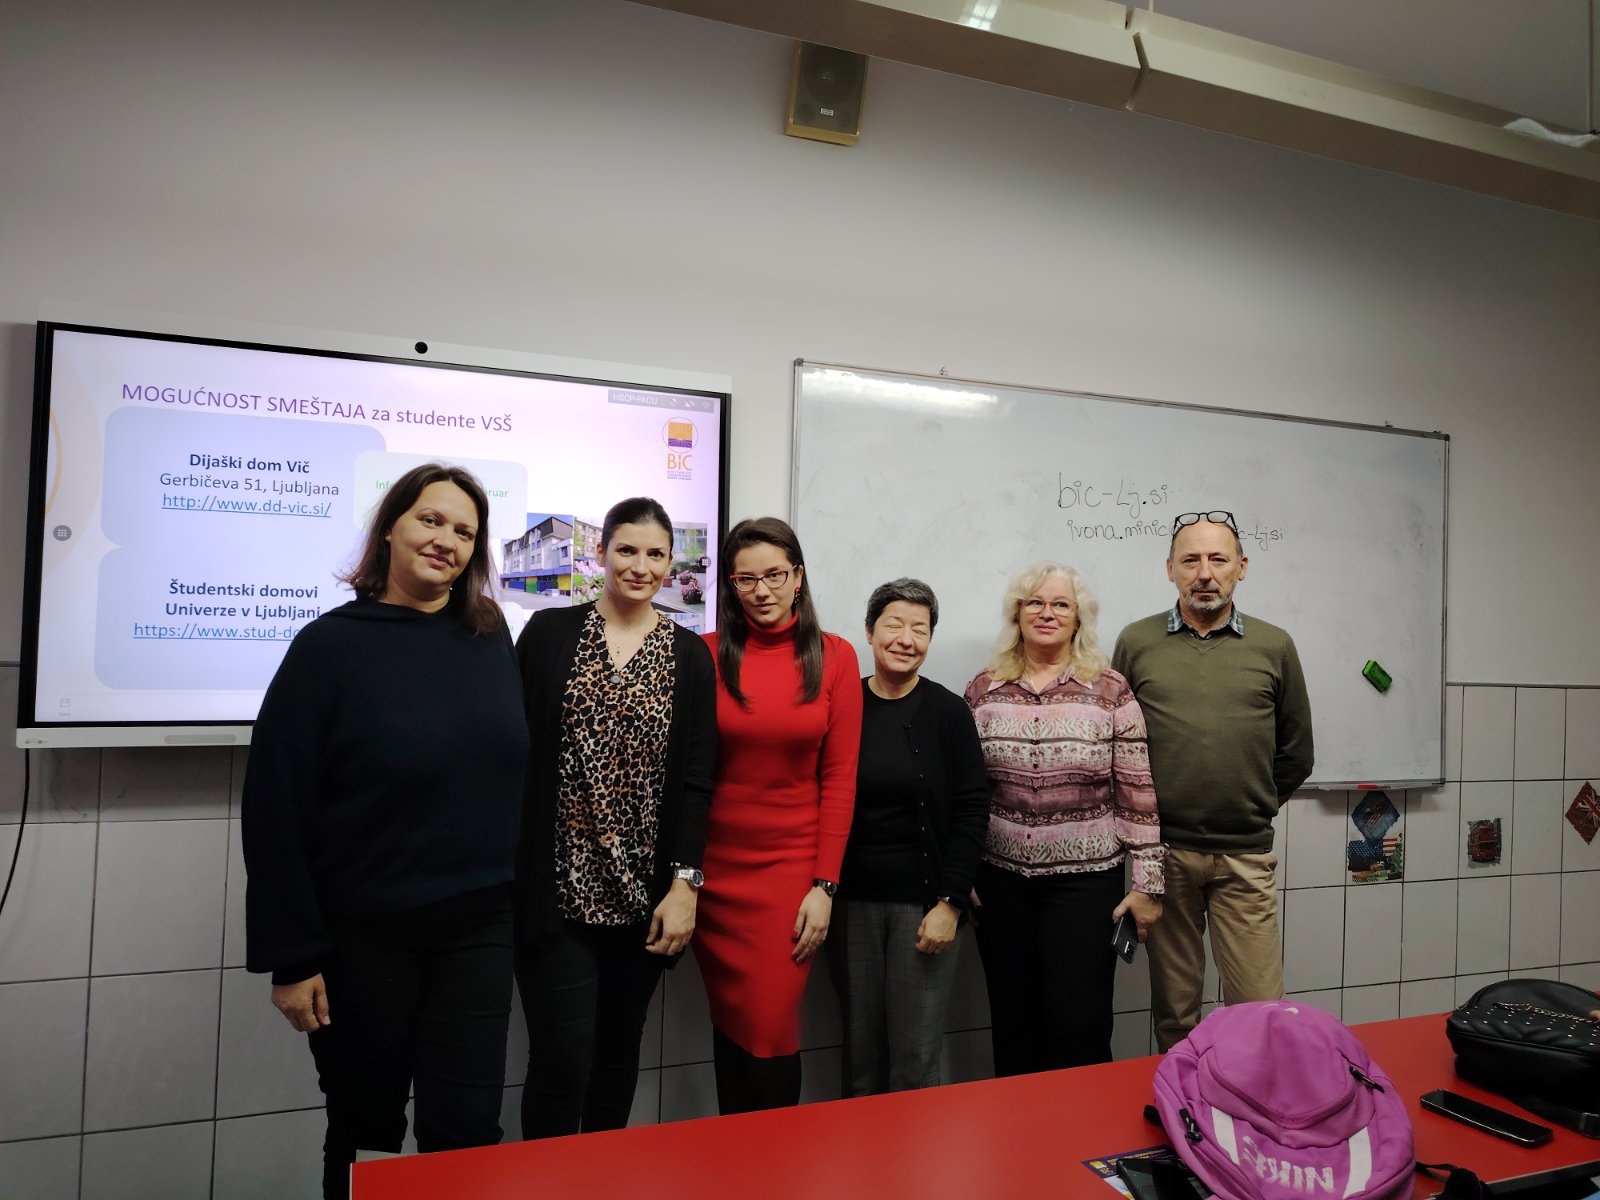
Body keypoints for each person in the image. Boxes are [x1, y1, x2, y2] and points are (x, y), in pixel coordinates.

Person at [242, 463, 527, 1200]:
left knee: (467, 1133)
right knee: (367, 1130)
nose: (446, 541)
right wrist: (290, 956)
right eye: (431, 520)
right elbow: (275, 806)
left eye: (464, 531)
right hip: (363, 938)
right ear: (391, 528)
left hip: (478, 928)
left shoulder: (489, 633)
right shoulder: (329, 647)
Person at [512, 497, 717, 1138]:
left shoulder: (689, 654)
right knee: (560, 1056)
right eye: (627, 550)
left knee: (617, 1051)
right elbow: (514, 752)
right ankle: (546, 1180)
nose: (640, 566)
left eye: (656, 554)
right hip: (556, 890)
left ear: (671, 563)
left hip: (644, 897)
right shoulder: (548, 634)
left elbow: (696, 781)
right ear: (600, 553)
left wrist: (685, 884)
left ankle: (601, 1175)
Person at [1112, 510, 1314, 1052]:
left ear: (1241, 567)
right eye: (1191, 560)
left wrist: (1250, 806)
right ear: (1170, 569)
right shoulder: (1136, 642)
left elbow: (1297, 753)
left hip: (1245, 856)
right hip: (1165, 858)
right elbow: (1118, 748)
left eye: (1218, 559)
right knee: (1176, 1012)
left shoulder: (1274, 645)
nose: (1205, 573)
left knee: (1260, 1010)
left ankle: (1251, 1101)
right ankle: (1186, 1100)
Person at [964, 562, 1165, 1076]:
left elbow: (1138, 792)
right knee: (1013, 1023)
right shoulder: (983, 690)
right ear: (1017, 613)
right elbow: (964, 794)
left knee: (1080, 1025)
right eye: (1034, 602)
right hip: (1000, 885)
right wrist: (959, 876)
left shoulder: (1111, 690)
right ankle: (1018, 1126)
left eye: (1060, 604)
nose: (1046, 613)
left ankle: (1081, 1125)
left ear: (1078, 618)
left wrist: (1148, 885)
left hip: (1085, 889)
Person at [695, 517, 863, 1113]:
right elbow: (690, 774)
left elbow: (840, 778)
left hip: (789, 874)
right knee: (730, 1024)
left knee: (769, 1029)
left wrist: (825, 884)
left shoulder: (835, 656)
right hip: (714, 876)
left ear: (798, 577)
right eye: (746, 579)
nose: (761, 590)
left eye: (774, 575)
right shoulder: (705, 653)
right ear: (731, 585)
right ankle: (733, 1152)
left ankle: (773, 1156)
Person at [828, 578, 988, 1096]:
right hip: (849, 906)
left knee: (915, 1058)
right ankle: (861, 1149)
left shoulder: (948, 712)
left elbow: (972, 808)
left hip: (925, 909)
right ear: (869, 631)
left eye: (919, 629)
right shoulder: (842, 704)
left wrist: (951, 901)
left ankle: (914, 1151)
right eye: (894, 624)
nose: (905, 639)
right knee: (860, 1054)